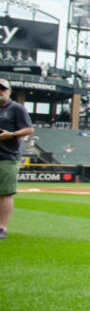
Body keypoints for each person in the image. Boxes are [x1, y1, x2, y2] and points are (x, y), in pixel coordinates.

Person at [0, 78, 34, 240]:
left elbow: (29, 129)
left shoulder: (16, 108)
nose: (0, 91)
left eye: (3, 89)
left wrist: (11, 135)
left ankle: (2, 227)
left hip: (7, 156)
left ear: (9, 91)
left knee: (5, 193)